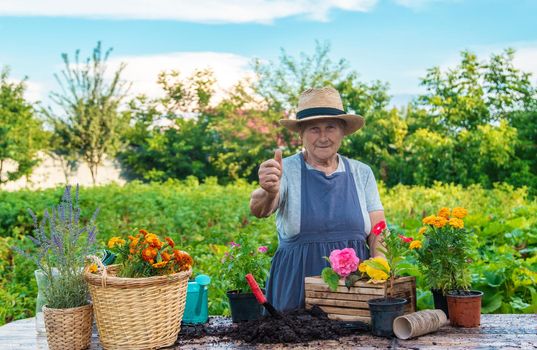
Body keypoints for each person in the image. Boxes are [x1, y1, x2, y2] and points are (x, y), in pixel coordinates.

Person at [249, 86, 386, 312]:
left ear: (343, 131)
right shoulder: (287, 170)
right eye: (313, 129)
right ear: (301, 134)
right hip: (296, 288)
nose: (323, 137)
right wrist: (268, 190)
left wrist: (381, 270)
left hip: (353, 294)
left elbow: (379, 230)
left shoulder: (361, 172)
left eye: (330, 127)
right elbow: (260, 208)